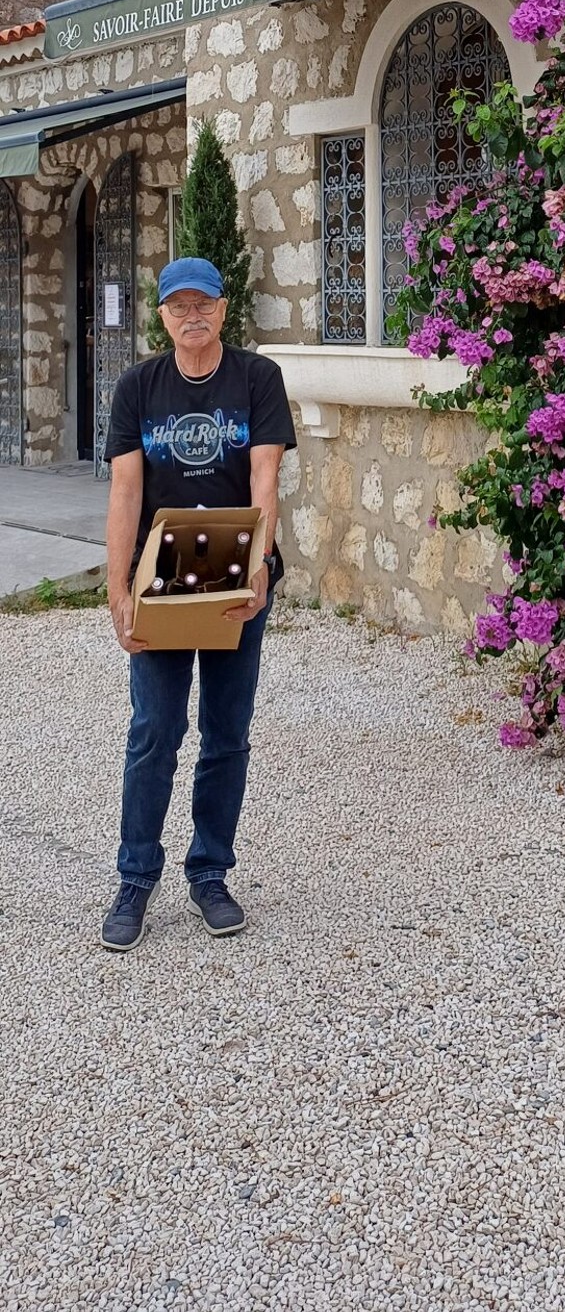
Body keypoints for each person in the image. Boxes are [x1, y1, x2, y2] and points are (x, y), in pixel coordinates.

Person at [101, 256, 297, 952]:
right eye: (179, 306)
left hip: (234, 563)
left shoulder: (257, 379)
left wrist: (259, 570)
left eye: (203, 304)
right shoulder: (137, 388)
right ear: (162, 316)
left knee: (226, 732)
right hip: (162, 569)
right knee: (154, 729)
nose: (192, 316)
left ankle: (210, 872)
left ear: (222, 309)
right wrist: (117, 587)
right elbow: (126, 491)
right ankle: (134, 879)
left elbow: (264, 478)